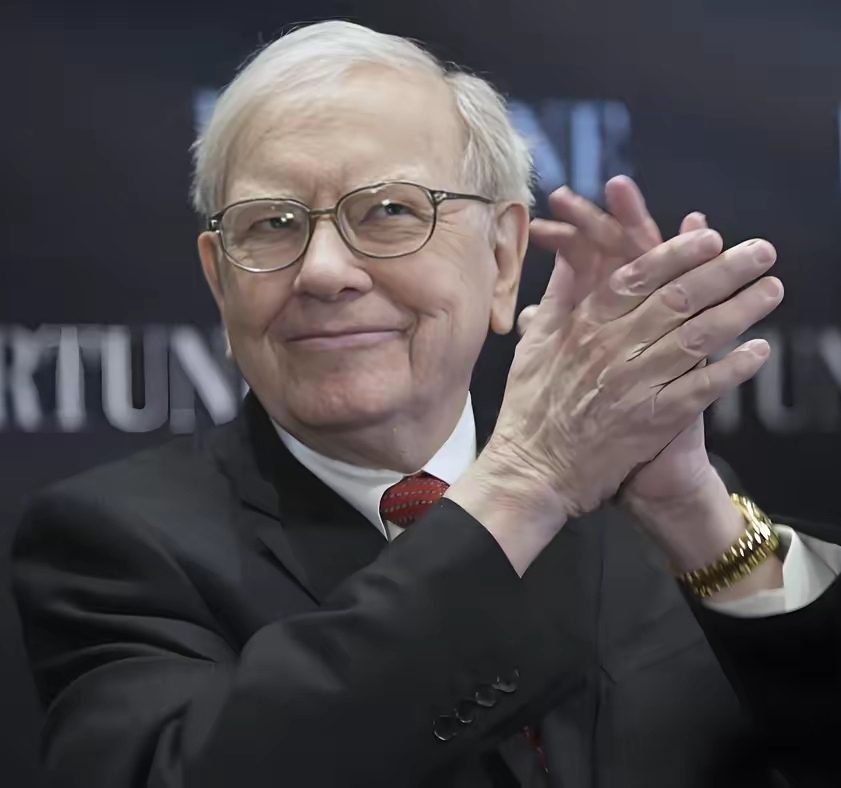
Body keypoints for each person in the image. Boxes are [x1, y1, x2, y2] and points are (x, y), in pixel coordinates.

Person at [11, 19, 841, 788]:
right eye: (271, 225)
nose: (323, 271)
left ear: (504, 257)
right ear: (219, 278)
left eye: (387, 211)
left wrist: (695, 518)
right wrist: (521, 486)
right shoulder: (115, 545)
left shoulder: (652, 512)